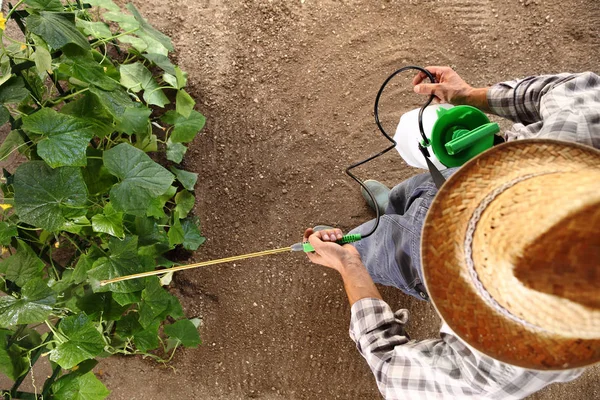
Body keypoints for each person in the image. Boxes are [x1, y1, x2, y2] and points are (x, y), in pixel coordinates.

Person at [303, 67, 600, 399]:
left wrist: (351, 265)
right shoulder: (581, 133)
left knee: (381, 249)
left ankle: (368, 245)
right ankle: (391, 208)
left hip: (432, 253)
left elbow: (393, 370)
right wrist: (465, 95)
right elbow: (574, 88)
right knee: (418, 191)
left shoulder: (527, 348)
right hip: (481, 172)